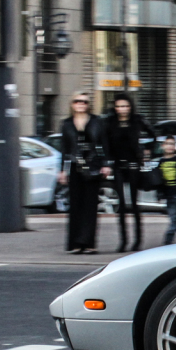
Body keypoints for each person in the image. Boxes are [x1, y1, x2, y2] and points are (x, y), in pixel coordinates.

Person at [58, 92, 110, 254]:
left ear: (89, 105)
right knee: (75, 205)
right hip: (74, 166)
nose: (81, 104)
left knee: (90, 206)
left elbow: (104, 144)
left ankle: (89, 243)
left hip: (93, 166)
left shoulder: (97, 122)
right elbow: (65, 150)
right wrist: (62, 171)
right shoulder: (66, 124)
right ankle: (75, 243)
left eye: (84, 102)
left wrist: (106, 164)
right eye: (77, 101)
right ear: (72, 104)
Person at [103, 92, 155, 252]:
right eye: (118, 106)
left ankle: (137, 240)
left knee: (134, 204)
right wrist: (107, 161)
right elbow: (105, 144)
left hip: (134, 166)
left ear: (130, 107)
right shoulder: (110, 122)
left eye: (125, 106)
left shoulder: (137, 120)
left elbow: (153, 136)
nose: (122, 109)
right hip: (118, 166)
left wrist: (147, 151)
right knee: (122, 205)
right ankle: (123, 241)